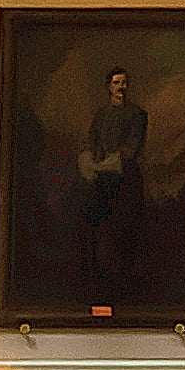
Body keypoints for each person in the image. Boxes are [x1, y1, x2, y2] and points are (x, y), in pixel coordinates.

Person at [70, 64, 151, 305]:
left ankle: (124, 281)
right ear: (109, 87)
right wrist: (93, 161)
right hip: (102, 182)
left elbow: (132, 149)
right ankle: (96, 277)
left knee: (125, 229)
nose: (121, 87)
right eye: (116, 83)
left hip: (126, 180)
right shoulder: (101, 115)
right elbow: (92, 142)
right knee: (96, 226)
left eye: (124, 82)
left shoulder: (137, 115)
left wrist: (111, 161)